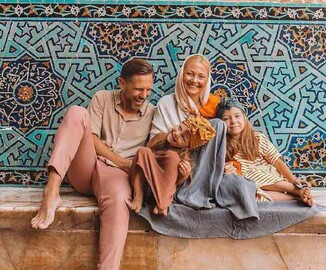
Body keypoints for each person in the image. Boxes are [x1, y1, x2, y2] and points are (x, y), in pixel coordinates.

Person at [31, 58, 156, 269]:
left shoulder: (152, 113)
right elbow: (92, 138)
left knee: (119, 198)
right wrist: (119, 160)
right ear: (122, 83)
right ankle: (51, 193)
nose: (143, 96)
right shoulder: (102, 98)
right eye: (138, 89)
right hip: (87, 168)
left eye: (148, 90)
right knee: (77, 113)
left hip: (115, 177)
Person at [216, 98, 313, 205]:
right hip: (247, 182)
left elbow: (277, 161)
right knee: (247, 195)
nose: (233, 121)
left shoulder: (257, 138)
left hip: (267, 176)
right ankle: (295, 197)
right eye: (226, 119)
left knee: (251, 175)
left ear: (244, 118)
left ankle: (295, 189)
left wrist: (293, 180)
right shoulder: (221, 144)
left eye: (237, 116)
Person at [129, 116, 216, 216]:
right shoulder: (159, 137)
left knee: (173, 156)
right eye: (179, 128)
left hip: (158, 191)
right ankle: (138, 196)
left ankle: (162, 204)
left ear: (187, 146)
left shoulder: (183, 158)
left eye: (183, 138)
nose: (176, 134)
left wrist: (183, 176)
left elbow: (174, 183)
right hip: (143, 183)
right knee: (143, 151)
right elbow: (140, 162)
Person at [151, 54, 220, 136]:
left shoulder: (215, 106)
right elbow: (154, 142)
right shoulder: (166, 104)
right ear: (181, 74)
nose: (194, 80)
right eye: (190, 74)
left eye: (201, 77)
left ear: (207, 80)